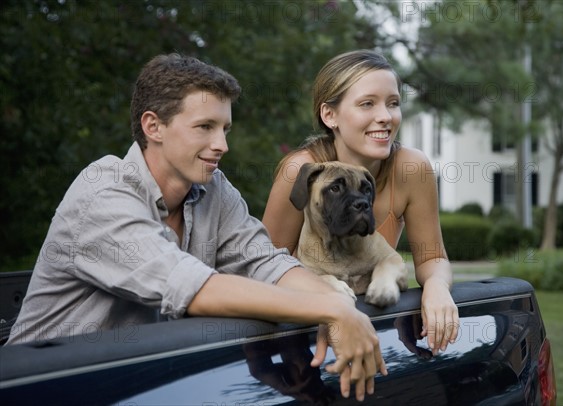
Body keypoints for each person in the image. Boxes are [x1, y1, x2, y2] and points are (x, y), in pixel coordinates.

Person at [7, 53, 386, 402]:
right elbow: (194, 289)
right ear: (153, 126)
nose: (221, 144)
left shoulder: (214, 188)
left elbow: (266, 264)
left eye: (225, 128)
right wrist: (332, 312)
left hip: (140, 387)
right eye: (205, 126)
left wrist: (338, 305)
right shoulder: (102, 194)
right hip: (38, 389)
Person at [263, 49, 459, 355]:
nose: (385, 116)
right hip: (307, 336)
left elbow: (432, 257)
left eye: (393, 103)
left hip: (378, 325)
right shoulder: (300, 172)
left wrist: (436, 288)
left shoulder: (412, 168)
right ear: (330, 115)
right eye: (367, 103)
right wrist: (325, 292)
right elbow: (266, 265)